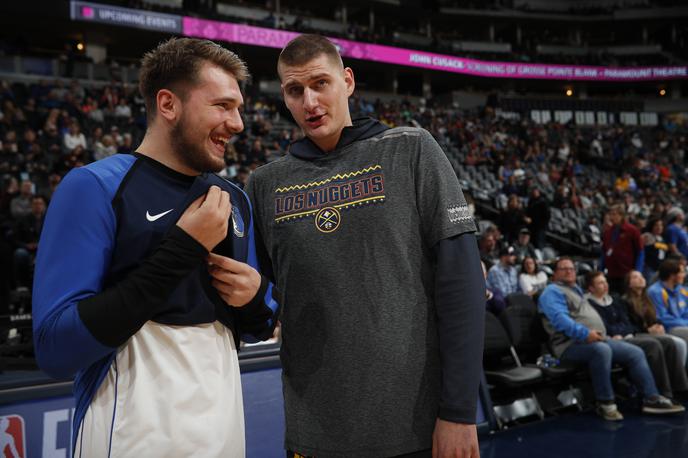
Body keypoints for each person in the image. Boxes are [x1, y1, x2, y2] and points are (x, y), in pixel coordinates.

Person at [32, 38, 278, 457]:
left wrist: (254, 300)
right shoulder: (94, 187)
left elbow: (259, 325)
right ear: (168, 105)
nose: (237, 123)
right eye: (222, 106)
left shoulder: (233, 199)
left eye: (238, 108)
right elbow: (56, 347)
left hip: (224, 424)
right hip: (130, 427)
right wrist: (180, 248)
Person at [245, 34, 484, 458]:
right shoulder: (265, 184)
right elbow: (262, 305)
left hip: (415, 429)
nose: (310, 102)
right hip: (314, 431)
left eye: (321, 83)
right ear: (284, 97)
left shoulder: (411, 149)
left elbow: (462, 286)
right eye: (295, 90)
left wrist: (460, 411)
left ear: (348, 81)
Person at [538, 257, 682, 421]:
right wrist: (585, 334)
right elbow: (559, 320)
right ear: (554, 274)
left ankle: (651, 397)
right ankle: (605, 402)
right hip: (569, 345)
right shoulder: (552, 291)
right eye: (563, 268)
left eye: (571, 268)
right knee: (602, 350)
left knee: (635, 352)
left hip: (597, 339)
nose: (569, 271)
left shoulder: (576, 289)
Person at [584, 271, 687, 403]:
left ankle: (679, 388)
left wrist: (654, 326)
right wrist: (621, 331)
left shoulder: (614, 299)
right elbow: (604, 326)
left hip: (629, 334)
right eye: (600, 283)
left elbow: (627, 323)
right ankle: (663, 392)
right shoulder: (590, 305)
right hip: (614, 339)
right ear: (591, 288)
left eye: (605, 282)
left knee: (668, 342)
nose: (605, 285)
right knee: (653, 345)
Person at [623, 270, 688, 368]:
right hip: (639, 333)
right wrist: (647, 330)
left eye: (641, 276)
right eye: (635, 277)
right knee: (679, 343)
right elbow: (630, 324)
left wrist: (658, 325)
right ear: (629, 284)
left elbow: (656, 318)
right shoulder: (625, 301)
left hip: (655, 331)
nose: (640, 279)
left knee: (678, 344)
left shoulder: (646, 298)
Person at [600, 204, 644, 294]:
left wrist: (637, 270)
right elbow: (604, 252)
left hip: (627, 273)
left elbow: (640, 251)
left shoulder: (632, 231)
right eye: (610, 214)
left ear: (622, 216)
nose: (612, 217)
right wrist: (601, 269)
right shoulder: (607, 232)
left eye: (614, 214)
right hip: (612, 273)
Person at [648, 259, 688, 354]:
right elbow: (662, 318)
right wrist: (685, 323)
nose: (684, 275)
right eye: (681, 272)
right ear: (672, 275)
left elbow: (686, 311)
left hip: (683, 324)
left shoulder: (682, 290)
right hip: (667, 327)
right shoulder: (655, 291)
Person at [642, 217, 668, 282]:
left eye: (661, 225)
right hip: (649, 267)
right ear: (652, 226)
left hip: (659, 268)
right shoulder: (647, 236)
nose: (659, 227)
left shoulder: (662, 239)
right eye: (656, 225)